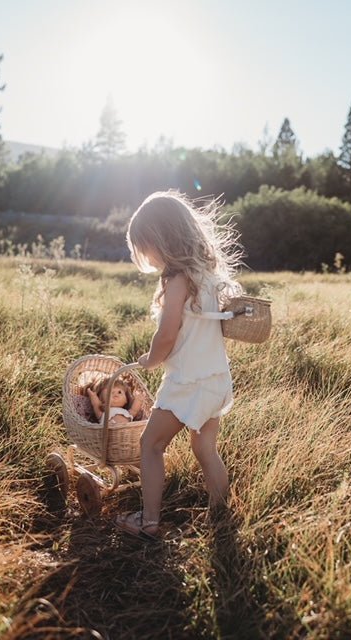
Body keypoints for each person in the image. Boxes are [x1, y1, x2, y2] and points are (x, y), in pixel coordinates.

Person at [116, 190, 243, 539]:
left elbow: (167, 333)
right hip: (216, 380)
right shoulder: (206, 275)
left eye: (147, 246)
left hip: (187, 383)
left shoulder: (176, 281)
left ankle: (149, 522)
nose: (149, 257)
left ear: (162, 240)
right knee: (206, 450)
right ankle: (220, 518)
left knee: (151, 446)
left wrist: (151, 359)